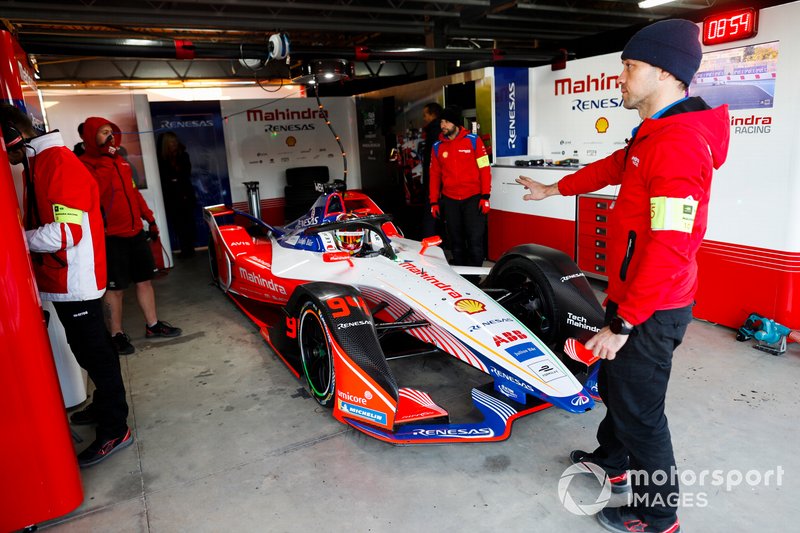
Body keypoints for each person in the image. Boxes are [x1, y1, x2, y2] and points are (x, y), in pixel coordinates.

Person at [516, 20, 729, 533]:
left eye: (630, 67)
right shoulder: (653, 136)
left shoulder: (677, 145)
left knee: (641, 412)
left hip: (651, 308)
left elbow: (672, 247)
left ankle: (658, 516)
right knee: (616, 387)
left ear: (664, 72)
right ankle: (614, 464)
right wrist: (555, 189)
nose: (621, 77)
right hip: (632, 296)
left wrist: (626, 322)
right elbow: (615, 164)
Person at [1, 104, 133, 467]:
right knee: (87, 352)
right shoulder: (41, 163)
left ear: (14, 136)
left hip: (76, 282)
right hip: (63, 281)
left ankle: (115, 428)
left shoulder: (57, 165)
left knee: (98, 356)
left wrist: (16, 239)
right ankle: (103, 406)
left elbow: (66, 232)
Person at [79, 117, 182, 356]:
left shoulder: (122, 164)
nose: (110, 136)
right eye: (104, 132)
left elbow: (134, 195)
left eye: (111, 132)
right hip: (110, 236)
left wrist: (151, 219)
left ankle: (153, 325)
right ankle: (116, 334)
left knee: (145, 281)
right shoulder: (86, 164)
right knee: (115, 289)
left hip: (135, 233)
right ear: (92, 136)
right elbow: (96, 194)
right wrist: (106, 160)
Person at [428, 105, 491, 267]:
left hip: (473, 198)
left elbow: (484, 168)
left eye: (447, 122)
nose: (443, 125)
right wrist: (434, 201)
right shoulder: (437, 147)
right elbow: (434, 176)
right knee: (455, 240)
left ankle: (476, 276)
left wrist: (485, 196)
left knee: (475, 239)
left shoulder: (473, 141)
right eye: (442, 121)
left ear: (455, 123)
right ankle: (461, 274)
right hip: (450, 200)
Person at [157, 131, 197, 258]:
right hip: (172, 197)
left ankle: (190, 248)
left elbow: (186, 174)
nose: (174, 144)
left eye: (175, 141)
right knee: (178, 224)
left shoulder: (183, 155)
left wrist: (175, 179)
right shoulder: (161, 159)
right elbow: (165, 178)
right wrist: (174, 179)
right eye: (171, 142)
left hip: (185, 194)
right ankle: (184, 248)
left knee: (189, 222)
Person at [419, 102, 442, 238]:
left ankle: (429, 244)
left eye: (425, 115)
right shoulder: (437, 131)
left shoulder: (434, 131)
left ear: (433, 114)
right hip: (441, 182)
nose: (424, 118)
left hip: (434, 181)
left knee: (429, 215)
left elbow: (432, 160)